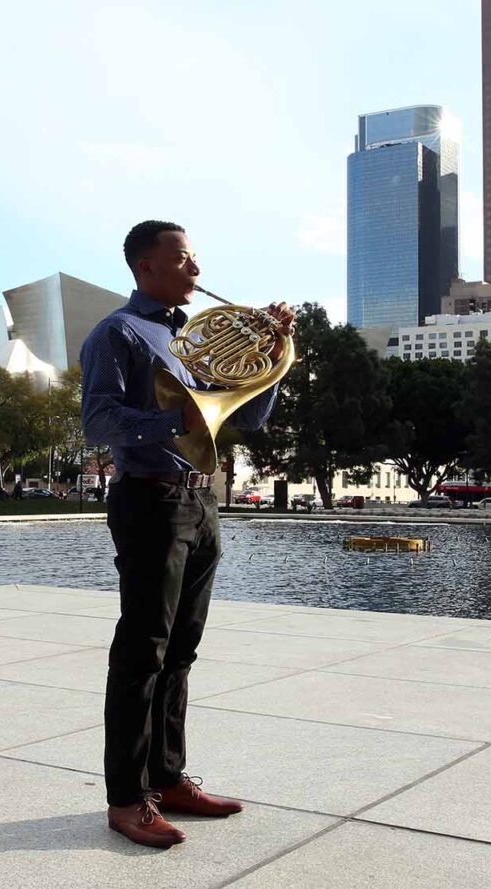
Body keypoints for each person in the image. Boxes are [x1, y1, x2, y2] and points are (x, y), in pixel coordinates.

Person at [80, 220, 295, 849]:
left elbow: (248, 416)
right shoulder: (118, 333)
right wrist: (178, 414)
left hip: (201, 502)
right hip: (149, 501)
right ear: (147, 266)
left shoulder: (187, 337)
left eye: (196, 258)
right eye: (184, 259)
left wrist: (276, 355)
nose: (197, 271)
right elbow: (97, 420)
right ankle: (127, 799)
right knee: (142, 651)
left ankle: (168, 779)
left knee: (181, 652)